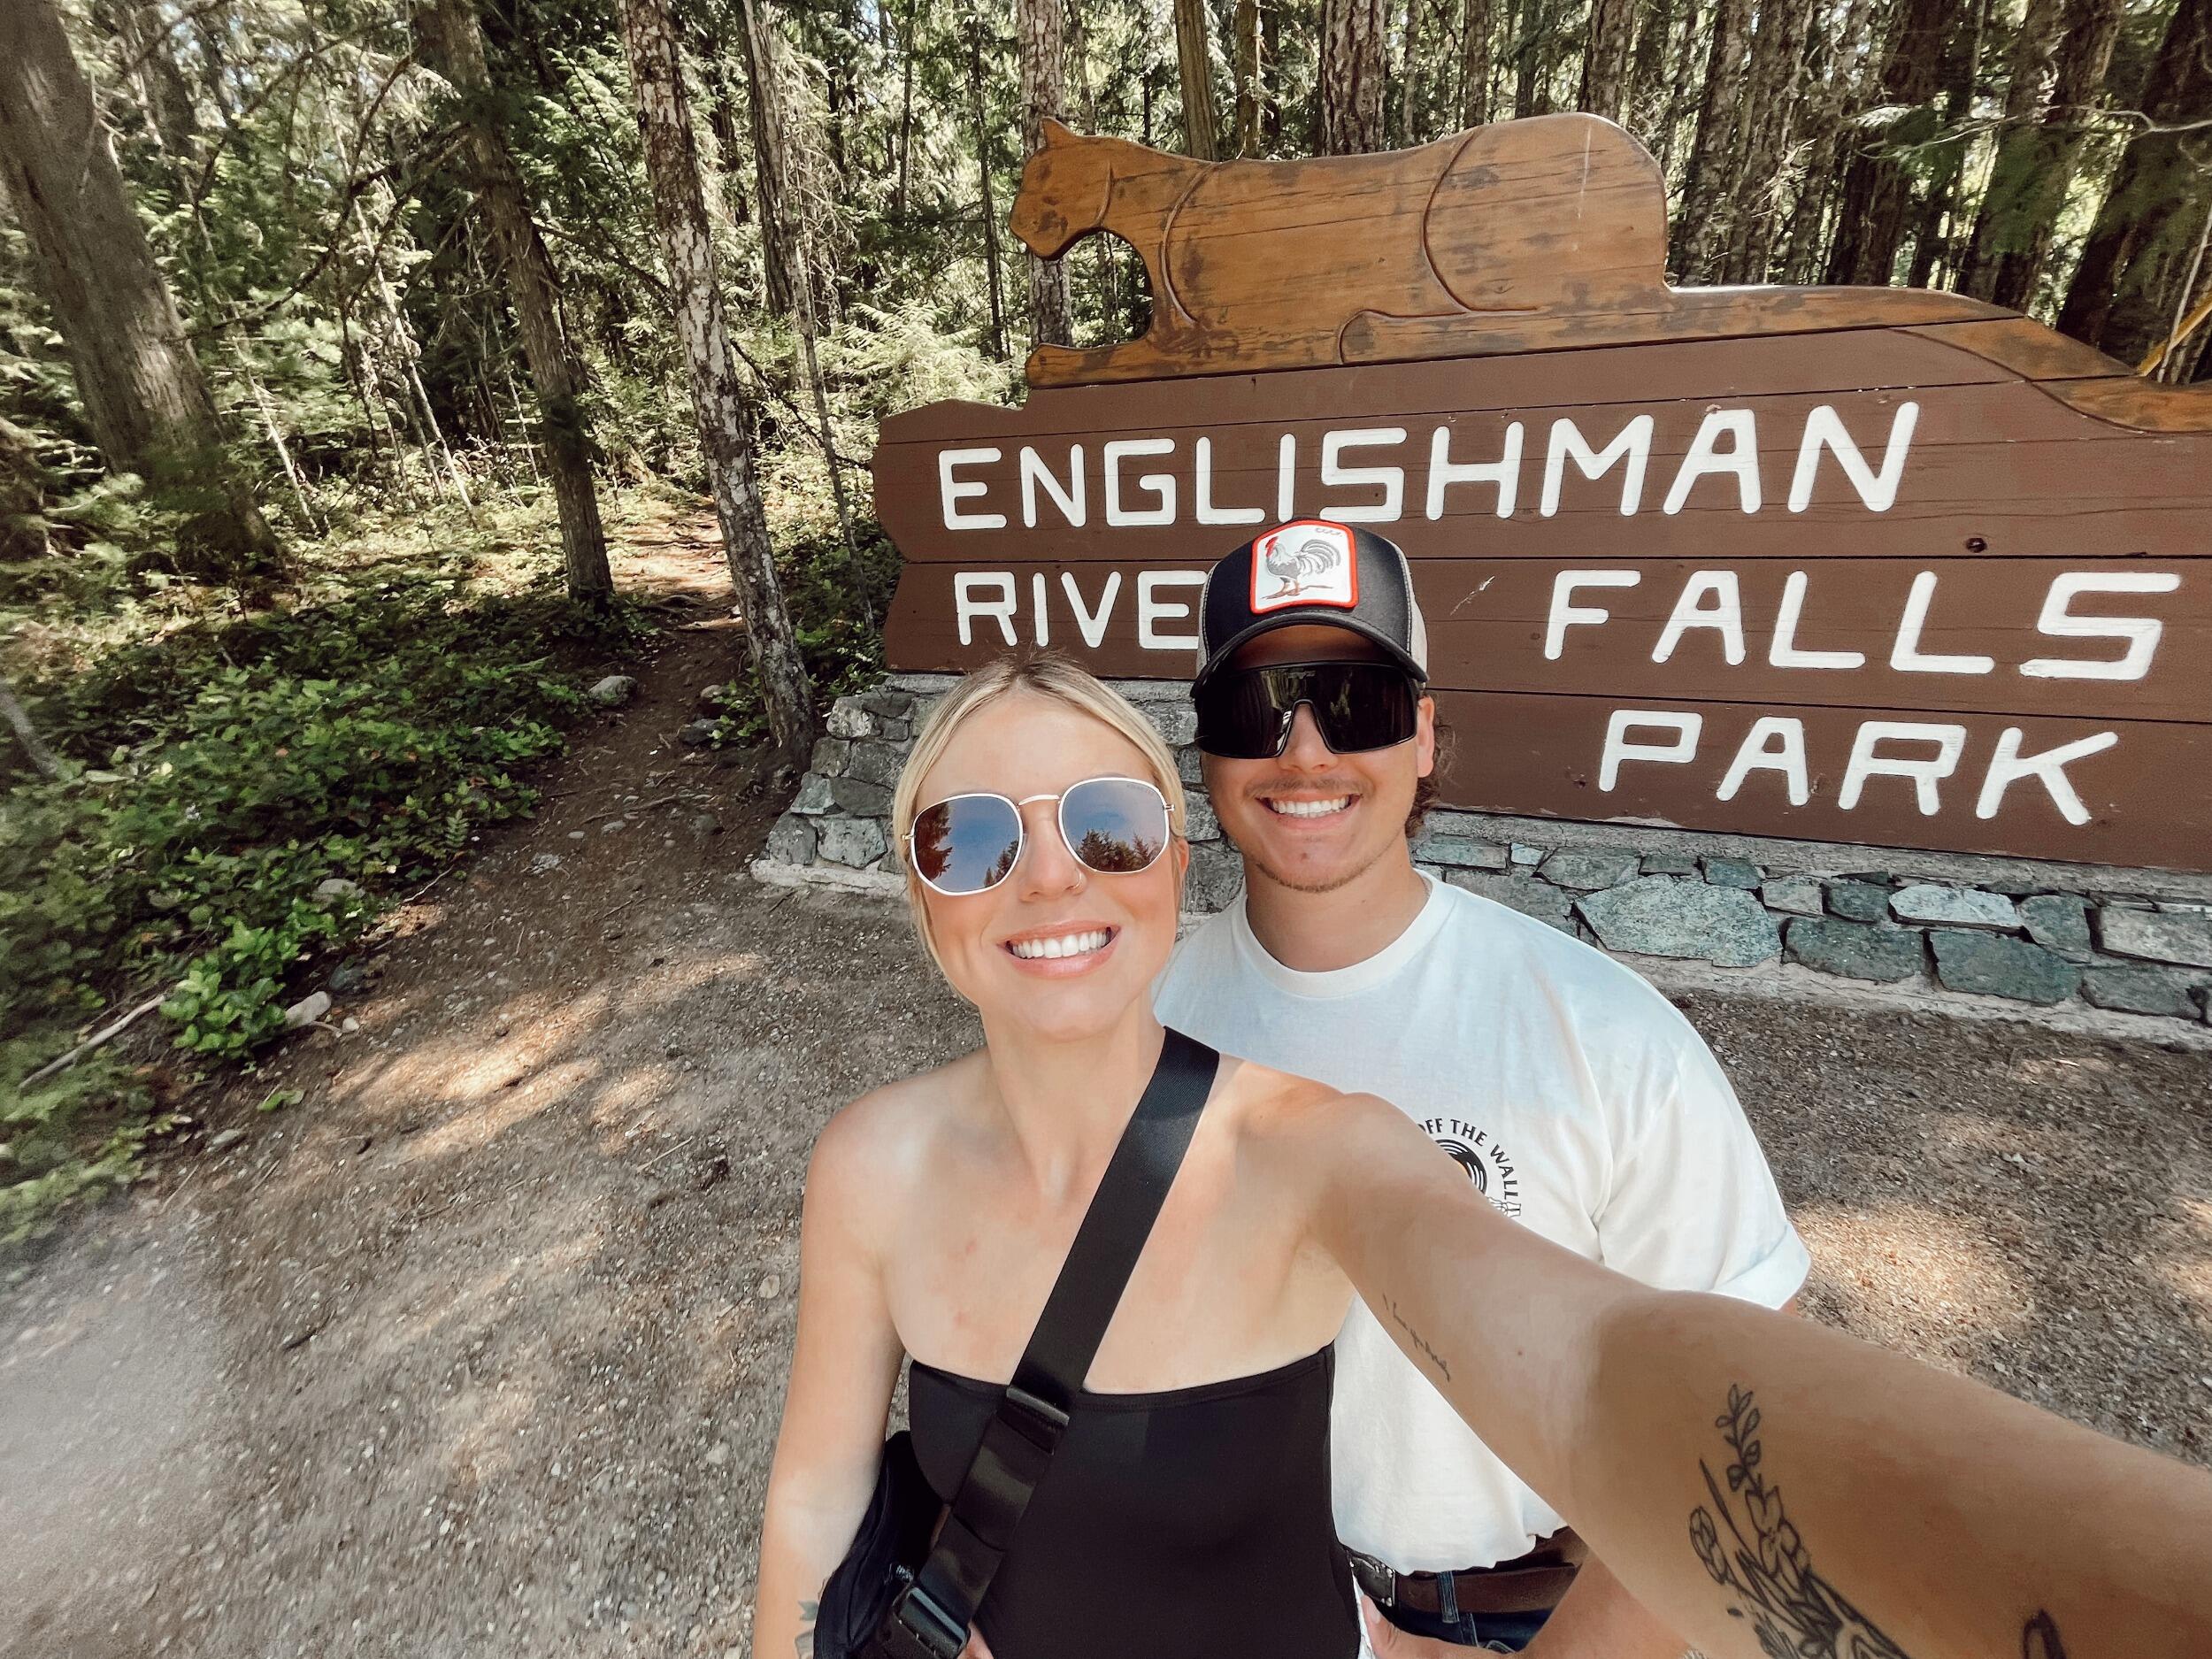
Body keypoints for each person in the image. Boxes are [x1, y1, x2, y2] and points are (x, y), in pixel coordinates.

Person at [752, 653, 2212, 1659]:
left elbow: (1598, 1371)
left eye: (1110, 824)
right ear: (921, 896)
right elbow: (818, 1505)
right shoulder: (869, 1169)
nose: (1053, 875)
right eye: (972, 840)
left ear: (1177, 864)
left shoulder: (1317, 1154)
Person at [1154, 519, 1806, 1655]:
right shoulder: (1145, 1013)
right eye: (1255, 708)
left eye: (1353, 701)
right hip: (1235, 1594)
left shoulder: (1602, 1033)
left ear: (1421, 738)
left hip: (1523, 1617)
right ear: (1205, 750)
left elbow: (1751, 1422)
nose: (1303, 752)